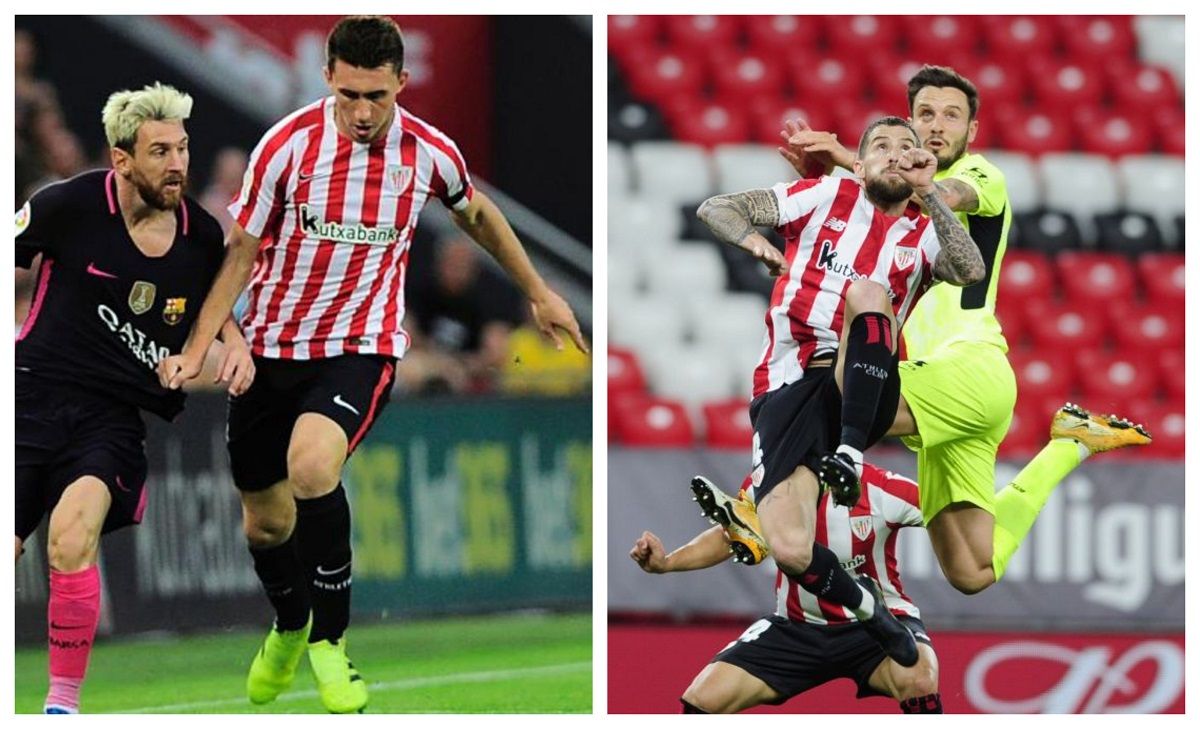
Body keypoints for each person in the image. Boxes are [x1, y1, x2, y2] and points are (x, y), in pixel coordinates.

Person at [154, 16, 588, 713]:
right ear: (328, 76)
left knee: (312, 466)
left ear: (402, 84)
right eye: (350, 94)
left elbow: (477, 214)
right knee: (264, 524)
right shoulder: (286, 147)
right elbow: (240, 251)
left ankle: (330, 642)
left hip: (361, 348)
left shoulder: (429, 152)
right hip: (270, 351)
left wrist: (539, 292)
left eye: (377, 96)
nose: (362, 112)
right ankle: (290, 626)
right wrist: (203, 342)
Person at [777, 65, 1150, 595]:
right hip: (939, 390)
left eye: (952, 116)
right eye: (925, 114)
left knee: (842, 404)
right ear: (908, 122)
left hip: (971, 367)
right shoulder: (880, 211)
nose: (937, 125)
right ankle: (1071, 444)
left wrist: (848, 159)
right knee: (972, 570)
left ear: (972, 130)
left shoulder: (980, 174)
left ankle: (757, 501)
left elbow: (942, 195)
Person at [696, 115, 984, 668]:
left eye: (907, 147)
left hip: (861, 382)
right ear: (860, 161)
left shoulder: (924, 229)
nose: (895, 154)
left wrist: (930, 193)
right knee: (790, 549)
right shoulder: (826, 194)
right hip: (786, 382)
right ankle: (870, 609)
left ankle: (848, 454)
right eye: (882, 146)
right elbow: (718, 208)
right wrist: (757, 245)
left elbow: (970, 270)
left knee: (869, 293)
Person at [15, 82, 253, 714]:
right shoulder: (67, 205)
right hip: (29, 398)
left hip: (112, 417)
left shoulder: (200, 235)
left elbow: (217, 302)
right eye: (160, 152)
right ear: (122, 160)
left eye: (182, 149)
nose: (177, 165)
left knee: (71, 537)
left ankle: (61, 705)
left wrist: (234, 344)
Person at [631, 469, 941, 714]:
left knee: (920, 681)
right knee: (702, 699)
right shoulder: (768, 481)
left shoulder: (883, 488)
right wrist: (667, 563)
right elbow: (730, 537)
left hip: (879, 626)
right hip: (796, 626)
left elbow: (949, 515)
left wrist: (965, 568)